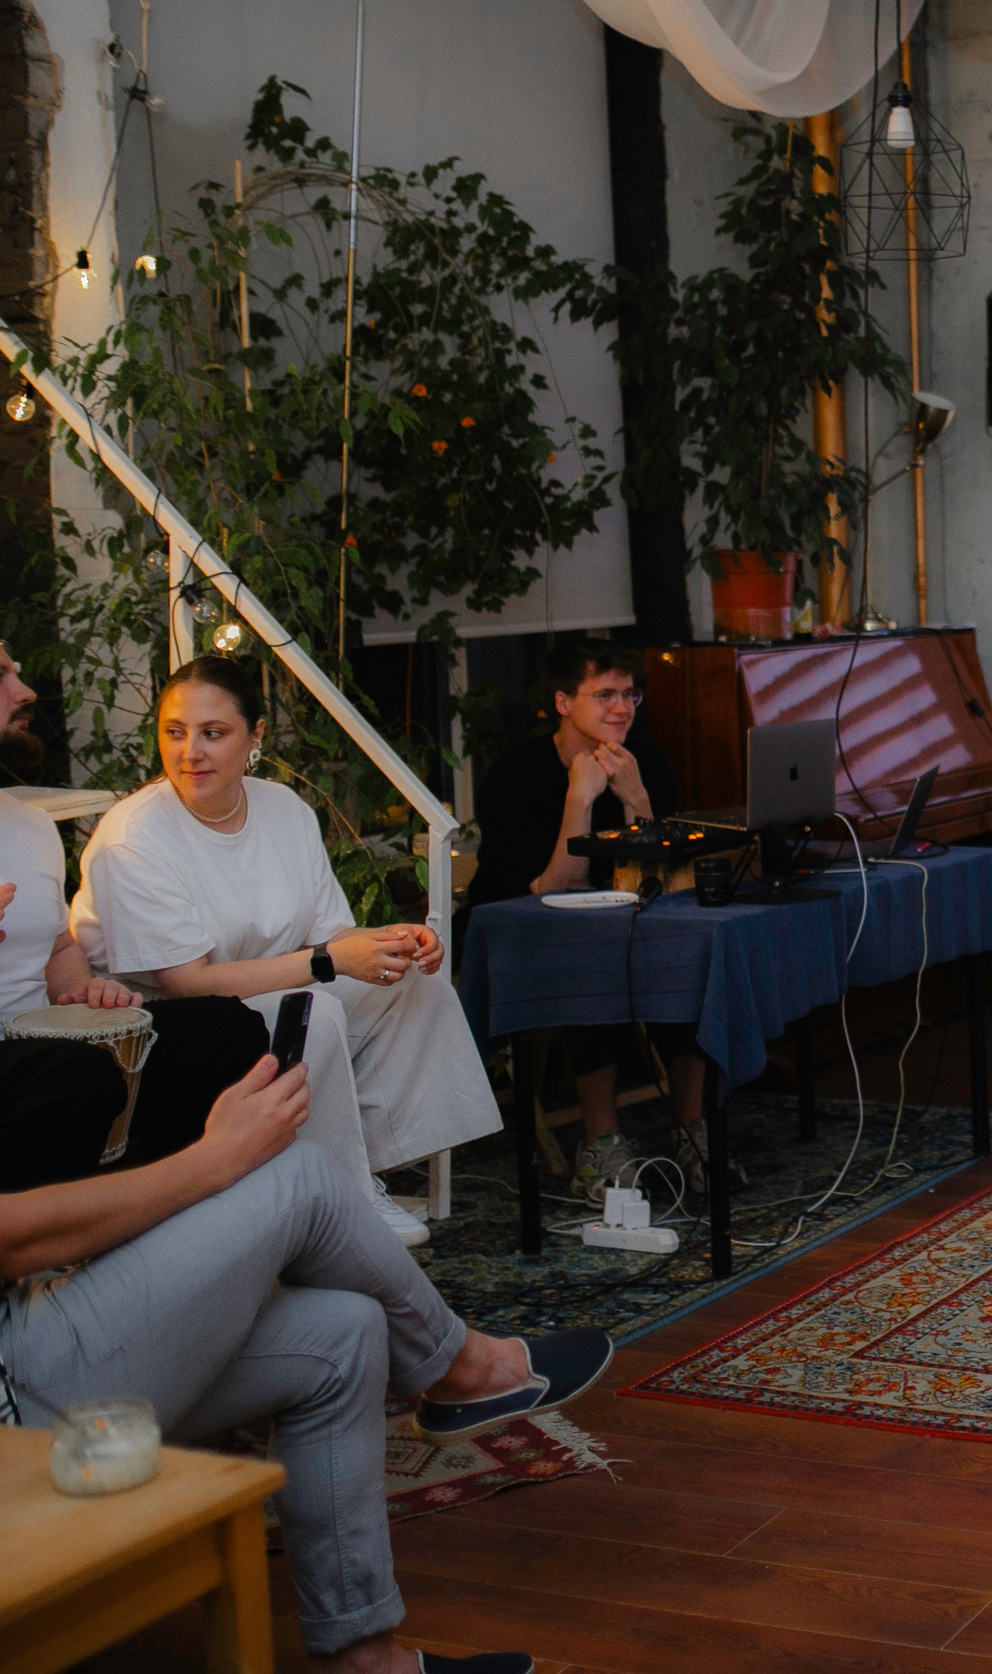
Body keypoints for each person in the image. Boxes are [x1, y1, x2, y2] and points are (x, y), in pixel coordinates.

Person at [1, 1046, 611, 1674]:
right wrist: (213, 1160)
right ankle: (465, 1369)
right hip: (15, 1407)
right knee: (301, 1180)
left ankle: (363, 1659)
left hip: (25, 1339)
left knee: (345, 1332)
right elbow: (12, 1237)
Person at [69, 656, 502, 1247]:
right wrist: (326, 963)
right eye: (175, 732)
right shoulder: (134, 834)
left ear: (256, 736)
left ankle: (356, 1173)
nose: (190, 751)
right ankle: (340, 1199)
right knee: (312, 1009)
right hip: (156, 1026)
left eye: (213, 733)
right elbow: (186, 983)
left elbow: (332, 934)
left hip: (264, 994)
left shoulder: (284, 809)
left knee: (409, 983)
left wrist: (390, 941)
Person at [0, 642, 271, 1173]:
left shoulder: (29, 825)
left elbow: (56, 945)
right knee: (78, 1073)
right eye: (1, 675)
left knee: (224, 1026)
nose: (26, 691)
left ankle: (179, 1206)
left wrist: (83, 989)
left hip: (38, 1045)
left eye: (16, 669)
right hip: (34, 1066)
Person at [467, 640, 716, 1201]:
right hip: (518, 931)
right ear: (562, 701)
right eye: (604, 694)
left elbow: (659, 879)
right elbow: (552, 889)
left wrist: (637, 802)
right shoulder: (518, 770)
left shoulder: (643, 762)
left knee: (690, 953)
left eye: (630, 695)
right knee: (593, 961)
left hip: (617, 922)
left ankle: (692, 1129)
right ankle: (601, 1144)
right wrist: (579, 801)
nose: (622, 708)